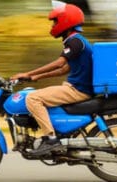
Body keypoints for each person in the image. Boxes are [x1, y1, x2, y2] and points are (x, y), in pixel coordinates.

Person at [11, 3, 94, 155]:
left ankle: (51, 139)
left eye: (55, 21)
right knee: (36, 95)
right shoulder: (76, 41)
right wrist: (36, 77)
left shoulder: (75, 41)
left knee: (32, 98)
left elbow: (59, 63)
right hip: (75, 87)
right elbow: (64, 69)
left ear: (66, 21)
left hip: (78, 90)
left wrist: (28, 73)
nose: (53, 25)